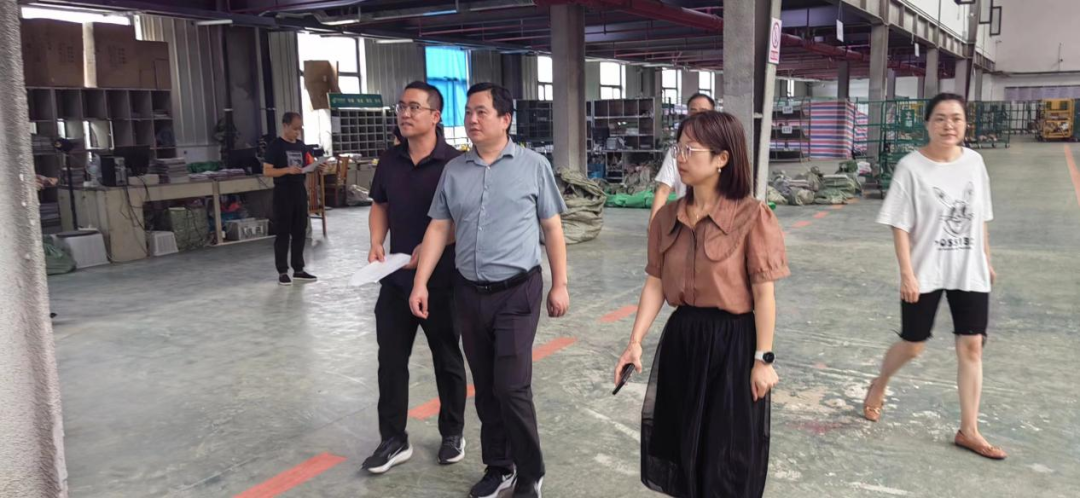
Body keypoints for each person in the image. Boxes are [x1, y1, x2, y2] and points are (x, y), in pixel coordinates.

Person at [615, 111, 788, 498]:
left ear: (722, 158)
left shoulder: (752, 216)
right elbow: (656, 282)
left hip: (733, 345)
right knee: (682, 448)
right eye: (678, 148)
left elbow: (764, 295)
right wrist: (635, 342)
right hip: (684, 338)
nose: (680, 158)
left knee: (725, 454)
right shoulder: (666, 217)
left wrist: (763, 359)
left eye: (691, 150)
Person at [409, 82, 570, 498]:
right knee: (485, 385)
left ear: (505, 119)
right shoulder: (455, 171)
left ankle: (531, 473)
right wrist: (421, 281)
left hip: (518, 291)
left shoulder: (533, 166)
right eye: (468, 112)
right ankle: (500, 467)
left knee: (511, 386)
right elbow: (439, 228)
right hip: (468, 292)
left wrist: (560, 284)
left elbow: (552, 228)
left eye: (481, 112)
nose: (472, 119)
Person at [863, 93, 1005, 460]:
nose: (948, 125)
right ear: (927, 124)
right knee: (914, 344)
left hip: (968, 268)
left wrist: (986, 259)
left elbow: (981, 217)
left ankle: (969, 430)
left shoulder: (974, 163)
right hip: (925, 267)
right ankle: (879, 383)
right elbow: (899, 224)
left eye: (956, 118)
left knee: (972, 345)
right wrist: (906, 273)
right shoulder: (911, 167)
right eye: (940, 118)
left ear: (965, 124)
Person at [361, 81, 469, 474]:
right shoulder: (389, 161)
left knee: (447, 359)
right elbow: (380, 205)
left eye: (414, 107)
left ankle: (453, 433)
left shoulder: (457, 164)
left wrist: (435, 246)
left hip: (443, 281)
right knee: (390, 361)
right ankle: (393, 439)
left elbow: (464, 218)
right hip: (395, 279)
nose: (405, 114)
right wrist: (377, 240)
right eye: (401, 107)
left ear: (435, 116)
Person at [262, 112, 316, 286]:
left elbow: (309, 164)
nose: (297, 132)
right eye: (294, 129)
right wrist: (287, 170)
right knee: (283, 232)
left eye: (299, 129)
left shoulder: (301, 146)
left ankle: (298, 268)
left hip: (299, 191)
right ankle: (282, 271)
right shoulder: (275, 146)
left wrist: (317, 166)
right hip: (283, 193)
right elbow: (267, 171)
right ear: (285, 126)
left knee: (300, 230)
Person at [648, 93, 717, 225]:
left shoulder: (718, 150)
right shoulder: (675, 152)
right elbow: (663, 190)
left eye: (703, 112)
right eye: (693, 111)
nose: (697, 116)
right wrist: (653, 225)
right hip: (685, 222)